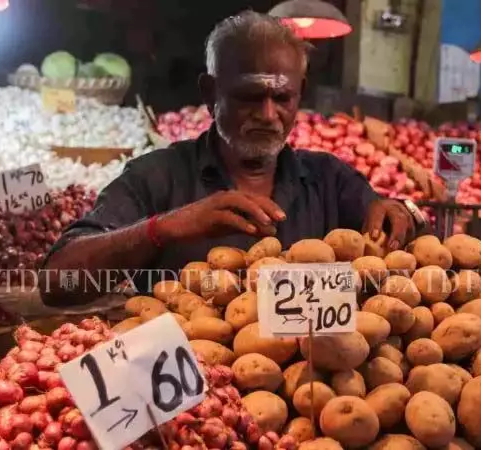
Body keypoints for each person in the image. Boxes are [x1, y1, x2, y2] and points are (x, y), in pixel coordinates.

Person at [40, 11, 424, 306]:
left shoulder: (331, 180)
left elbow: (400, 249)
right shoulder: (155, 177)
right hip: (193, 403)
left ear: (300, 94)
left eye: (283, 98)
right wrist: (162, 229)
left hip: (310, 400)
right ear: (210, 93)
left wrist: (399, 214)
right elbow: (56, 284)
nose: (269, 114)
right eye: (249, 97)